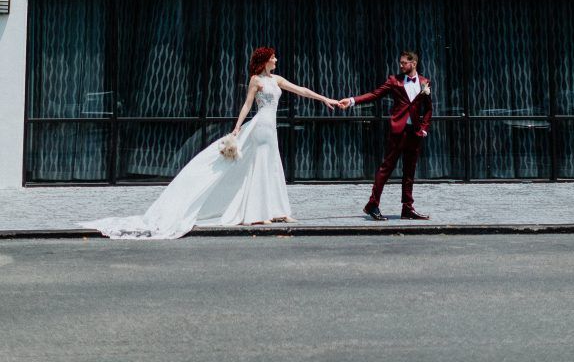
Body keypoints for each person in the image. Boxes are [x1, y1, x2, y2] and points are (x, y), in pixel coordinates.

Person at [82, 47, 338, 238]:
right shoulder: (257, 81)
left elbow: (301, 90)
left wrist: (325, 99)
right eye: (273, 57)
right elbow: (247, 105)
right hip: (260, 127)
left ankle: (279, 210)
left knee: (273, 167)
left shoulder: (277, 79)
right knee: (259, 168)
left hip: (271, 130)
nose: (276, 59)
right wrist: (237, 129)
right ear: (265, 61)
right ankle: (259, 214)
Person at [338, 49, 432, 221]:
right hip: (398, 132)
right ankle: (372, 204)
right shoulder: (394, 81)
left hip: (415, 133)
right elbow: (374, 95)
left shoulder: (425, 82)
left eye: (404, 62)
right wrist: (351, 100)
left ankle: (407, 208)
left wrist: (424, 128)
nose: (401, 65)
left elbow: (428, 109)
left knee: (409, 172)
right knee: (386, 169)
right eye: (401, 62)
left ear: (414, 63)